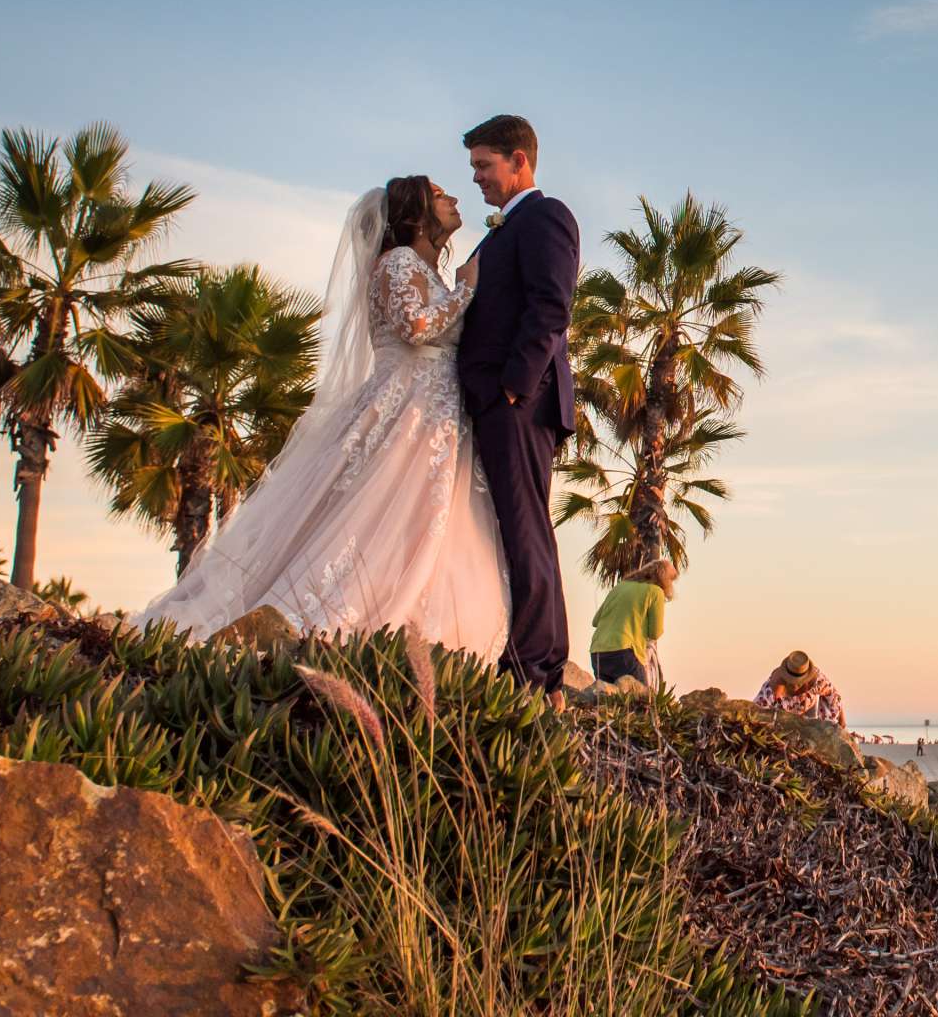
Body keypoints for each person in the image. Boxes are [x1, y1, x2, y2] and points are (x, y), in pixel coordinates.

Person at [139, 177, 510, 659]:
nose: (454, 199)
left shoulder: (420, 267)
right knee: (379, 510)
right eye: (440, 195)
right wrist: (464, 291)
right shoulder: (397, 262)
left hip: (433, 411)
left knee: (420, 518)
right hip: (406, 407)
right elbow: (414, 328)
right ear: (416, 214)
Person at [455, 114, 581, 701]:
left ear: (519, 161)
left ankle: (532, 667)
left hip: (518, 402)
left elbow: (552, 306)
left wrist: (513, 387)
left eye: (484, 164)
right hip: (500, 400)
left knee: (525, 526)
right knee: (521, 525)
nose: (476, 177)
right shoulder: (505, 228)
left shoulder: (545, 216)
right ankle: (543, 656)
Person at [589, 559, 675, 687]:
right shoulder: (656, 592)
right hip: (625, 653)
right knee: (642, 702)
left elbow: (596, 621)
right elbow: (655, 633)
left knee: (607, 701)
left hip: (598, 653)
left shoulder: (620, 587)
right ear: (665, 579)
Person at [755, 650, 846, 728]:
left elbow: (834, 696)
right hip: (783, 717)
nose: (796, 685)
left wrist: (839, 723)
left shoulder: (817, 681)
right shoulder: (772, 688)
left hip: (809, 709)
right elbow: (756, 711)